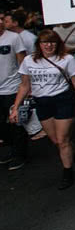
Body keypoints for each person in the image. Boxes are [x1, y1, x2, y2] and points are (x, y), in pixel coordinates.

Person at [9, 30, 75, 189]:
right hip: (42, 102)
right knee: (56, 140)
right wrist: (16, 107)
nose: (48, 45)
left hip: (62, 100)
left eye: (52, 42)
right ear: (39, 45)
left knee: (63, 139)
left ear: (57, 44)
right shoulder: (29, 61)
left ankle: (67, 172)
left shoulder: (67, 59)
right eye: (45, 42)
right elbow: (24, 85)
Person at [0, 15, 28, 170]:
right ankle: (11, 149)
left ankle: (20, 154)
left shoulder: (14, 38)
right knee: (2, 125)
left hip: (12, 87)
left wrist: (25, 85)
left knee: (16, 121)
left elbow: (22, 62)